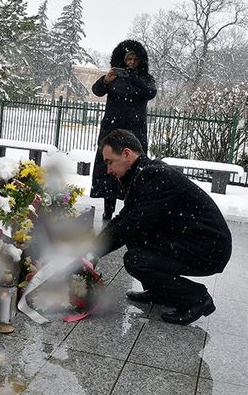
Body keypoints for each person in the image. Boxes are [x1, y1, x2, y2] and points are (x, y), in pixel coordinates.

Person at [90, 129, 232, 326]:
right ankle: (160, 291)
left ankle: (197, 298)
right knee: (137, 238)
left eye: (110, 162)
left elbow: (133, 223)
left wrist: (94, 253)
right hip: (192, 240)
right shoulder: (143, 173)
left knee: (136, 259)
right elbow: (124, 218)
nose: (108, 170)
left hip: (208, 247)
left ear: (127, 154)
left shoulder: (154, 175)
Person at [91, 40, 156, 220]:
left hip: (135, 133)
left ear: (140, 61)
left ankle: (132, 210)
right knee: (109, 168)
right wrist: (105, 80)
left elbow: (150, 92)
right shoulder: (114, 77)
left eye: (135, 60)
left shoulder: (145, 79)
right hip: (111, 130)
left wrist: (134, 77)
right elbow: (97, 91)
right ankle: (108, 209)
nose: (132, 63)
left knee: (134, 170)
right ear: (123, 59)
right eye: (129, 59)